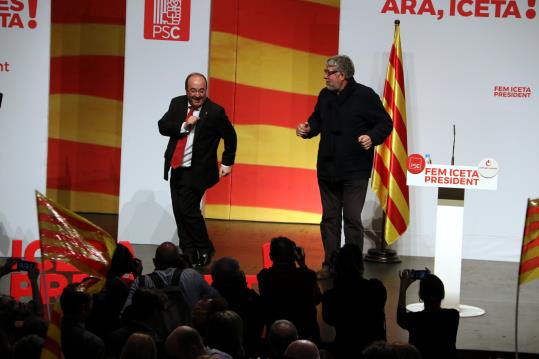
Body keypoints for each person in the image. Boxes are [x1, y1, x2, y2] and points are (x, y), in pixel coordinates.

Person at [296, 55, 393, 279]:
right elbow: (317, 121)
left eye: (329, 72)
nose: (325, 76)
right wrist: (307, 129)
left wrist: (372, 137)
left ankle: (353, 268)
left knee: (351, 219)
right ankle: (330, 264)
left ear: (342, 75)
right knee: (329, 219)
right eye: (325, 71)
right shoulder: (325, 96)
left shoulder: (365, 96)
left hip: (354, 170)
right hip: (327, 169)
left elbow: (384, 123)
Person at [158, 72, 237, 268]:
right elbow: (163, 126)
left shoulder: (215, 112)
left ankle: (205, 248)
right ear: (186, 91)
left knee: (188, 210)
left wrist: (226, 163)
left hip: (198, 172)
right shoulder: (177, 104)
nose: (198, 95)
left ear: (206, 90)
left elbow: (231, 137)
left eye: (201, 90)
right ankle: (189, 252)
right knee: (179, 212)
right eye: (193, 90)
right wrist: (184, 125)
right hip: (177, 168)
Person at [321, 243, 387, 358]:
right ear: (361, 266)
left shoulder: (331, 296)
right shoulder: (376, 288)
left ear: (336, 269)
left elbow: (329, 319)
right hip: (375, 354)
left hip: (345, 352)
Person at [257, 237, 321, 344]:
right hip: (305, 337)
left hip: (276, 337)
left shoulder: (264, 277)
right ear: (294, 256)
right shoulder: (307, 275)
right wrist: (302, 264)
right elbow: (317, 298)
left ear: (271, 256)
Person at [397, 270, 459, 359]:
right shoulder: (453, 316)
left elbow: (400, 316)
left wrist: (403, 287)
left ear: (421, 296)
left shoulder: (415, 320)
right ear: (442, 294)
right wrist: (430, 279)